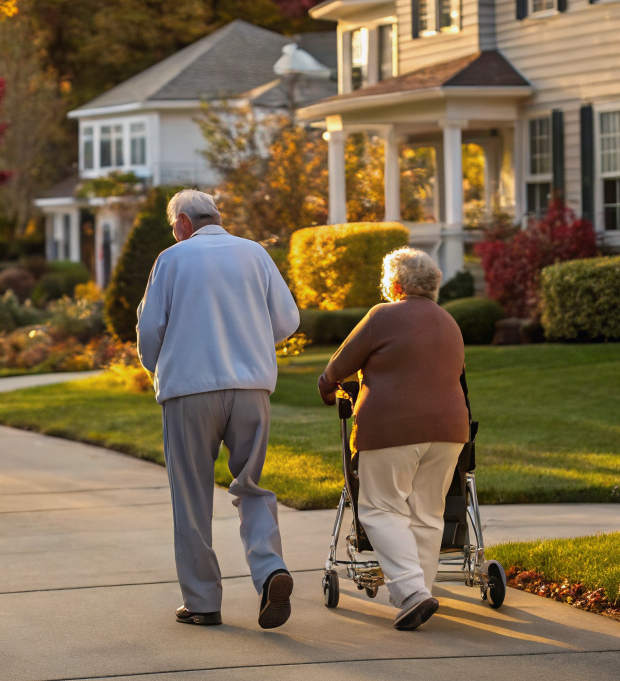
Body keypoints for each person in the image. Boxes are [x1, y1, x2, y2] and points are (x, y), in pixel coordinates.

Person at [136, 189, 302, 629]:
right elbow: (287, 321)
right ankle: (270, 571)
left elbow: (150, 329)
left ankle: (203, 602)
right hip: (251, 389)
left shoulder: (172, 259)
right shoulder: (254, 253)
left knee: (191, 498)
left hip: (189, 391)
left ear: (185, 223)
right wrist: (250, 345)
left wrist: (159, 370)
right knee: (251, 486)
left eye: (175, 228)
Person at [317, 246, 468, 631]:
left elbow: (338, 366)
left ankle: (412, 592)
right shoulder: (449, 322)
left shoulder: (382, 316)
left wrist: (328, 384)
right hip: (450, 431)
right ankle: (420, 591)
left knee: (380, 509)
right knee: (428, 512)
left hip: (391, 429)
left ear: (396, 284)